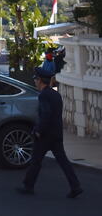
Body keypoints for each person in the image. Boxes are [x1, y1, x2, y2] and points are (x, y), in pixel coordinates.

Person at [16, 67, 83, 199]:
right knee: (63, 161)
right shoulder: (55, 94)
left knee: (36, 160)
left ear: (40, 80)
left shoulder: (44, 95)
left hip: (45, 135)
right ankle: (75, 186)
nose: (35, 81)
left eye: (36, 79)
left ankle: (28, 186)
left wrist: (39, 130)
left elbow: (46, 114)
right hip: (56, 133)